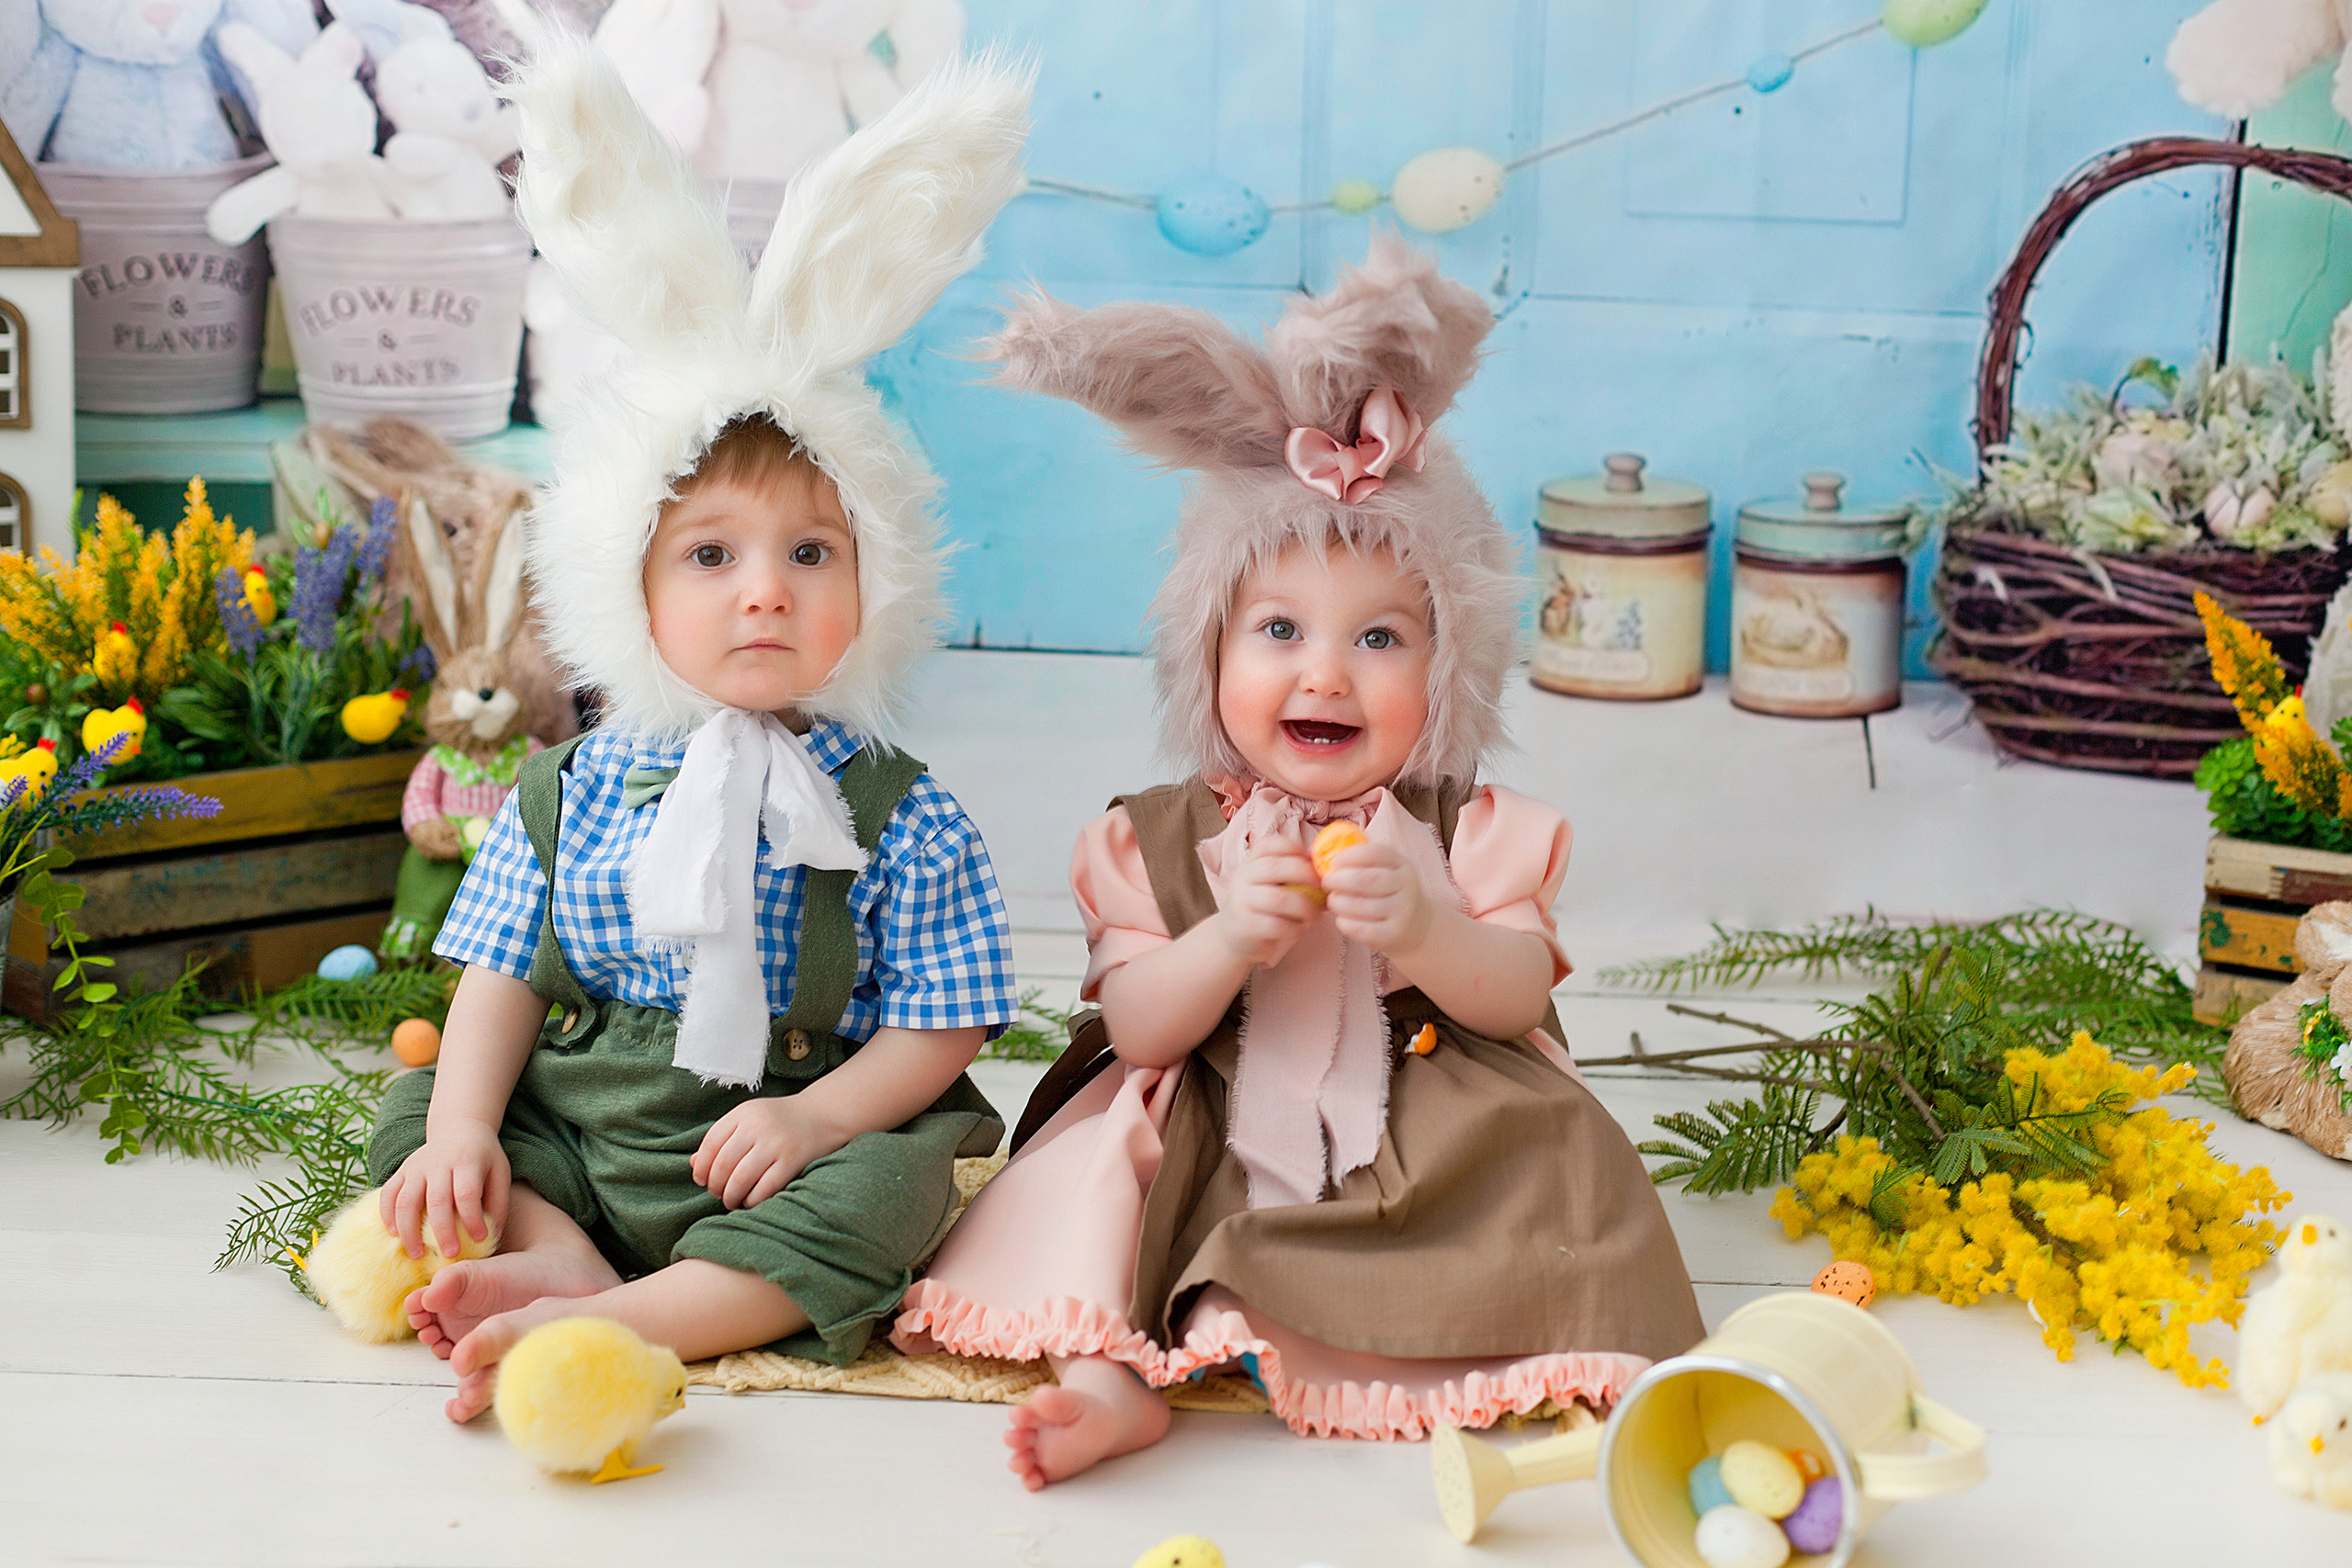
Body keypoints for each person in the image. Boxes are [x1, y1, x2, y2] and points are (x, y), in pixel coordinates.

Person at [893, 239, 1706, 1487]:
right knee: (1099, 1183)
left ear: (1449, 674)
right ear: (1206, 656)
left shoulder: (1471, 827)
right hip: (1212, 1111)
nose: (1324, 673)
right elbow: (1144, 1026)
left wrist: (1431, 932)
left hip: (1428, 1113)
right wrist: (1226, 939)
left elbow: (1516, 995)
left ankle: (1478, 1341)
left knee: (1550, 1175)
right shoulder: (1159, 836)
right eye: (1277, 630)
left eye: (1380, 638)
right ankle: (1109, 1384)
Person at [353, 20, 1034, 1425]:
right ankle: (550, 1250)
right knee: (419, 1120)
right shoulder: (572, 788)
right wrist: (476, 1127)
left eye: (812, 555)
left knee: (907, 1183)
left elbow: (945, 1020)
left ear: (877, 583)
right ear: (632, 588)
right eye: (711, 556)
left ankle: (618, 1316)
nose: (764, 595)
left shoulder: (899, 807)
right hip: (589, 1120)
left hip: (776, 1143)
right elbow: (501, 979)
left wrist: (822, 1115)